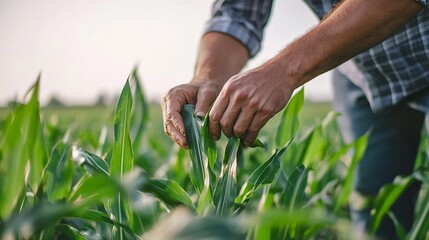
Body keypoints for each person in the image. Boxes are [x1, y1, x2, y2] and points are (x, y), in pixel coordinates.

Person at [161, 0, 429, 239]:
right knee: (373, 214)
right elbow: (236, 14)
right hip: (361, 70)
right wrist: (208, 78)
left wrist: (284, 70)